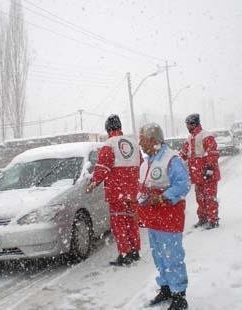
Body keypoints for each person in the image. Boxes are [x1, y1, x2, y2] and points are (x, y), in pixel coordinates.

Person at [137, 123, 190, 310]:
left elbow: (183, 185)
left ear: (153, 140)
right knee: (159, 255)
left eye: (142, 139)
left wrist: (162, 197)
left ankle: (179, 295)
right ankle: (166, 287)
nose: (140, 143)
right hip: (154, 220)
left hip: (169, 218)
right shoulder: (148, 161)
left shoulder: (171, 159)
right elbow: (144, 187)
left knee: (172, 256)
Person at [86, 114, 141, 266]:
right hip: (133, 191)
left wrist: (93, 183)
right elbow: (141, 163)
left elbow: (102, 167)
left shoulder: (109, 144)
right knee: (131, 222)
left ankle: (125, 254)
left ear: (108, 129)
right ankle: (135, 251)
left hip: (117, 192)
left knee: (119, 224)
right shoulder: (133, 143)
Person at [180, 113, 221, 229]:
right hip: (197, 175)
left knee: (209, 197)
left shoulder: (206, 136)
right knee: (200, 198)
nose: (187, 127)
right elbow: (183, 154)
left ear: (193, 124)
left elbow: (212, 153)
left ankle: (213, 220)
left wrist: (209, 169)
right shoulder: (189, 138)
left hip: (208, 175)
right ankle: (203, 218)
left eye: (188, 124)